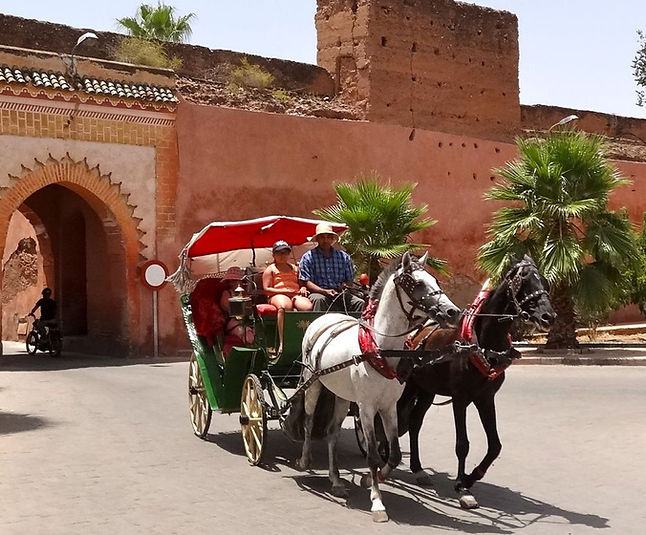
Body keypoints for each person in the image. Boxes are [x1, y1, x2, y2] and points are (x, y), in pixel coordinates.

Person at [298, 223, 364, 313]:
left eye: (328, 237)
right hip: (318, 293)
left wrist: (344, 287)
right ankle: (318, 326)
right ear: (317, 239)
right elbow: (306, 281)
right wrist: (324, 291)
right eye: (322, 237)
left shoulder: (343, 257)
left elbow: (349, 279)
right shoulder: (308, 257)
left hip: (339, 293)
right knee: (319, 300)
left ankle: (356, 326)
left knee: (359, 303)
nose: (325, 240)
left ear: (332, 239)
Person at [262, 240, 313, 354]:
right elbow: (266, 289)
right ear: (274, 255)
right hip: (277, 294)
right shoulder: (271, 269)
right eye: (279, 253)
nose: (282, 256)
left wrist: (303, 288)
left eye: (285, 253)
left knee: (307, 307)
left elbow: (302, 284)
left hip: (294, 294)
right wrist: (282, 290)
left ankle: (305, 341)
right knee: (284, 306)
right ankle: (283, 343)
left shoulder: (295, 268)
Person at [219, 266, 254, 352]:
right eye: (231, 281)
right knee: (246, 334)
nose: (233, 283)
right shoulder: (226, 293)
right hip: (234, 322)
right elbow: (226, 307)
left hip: (250, 320)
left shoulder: (247, 293)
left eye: (235, 280)